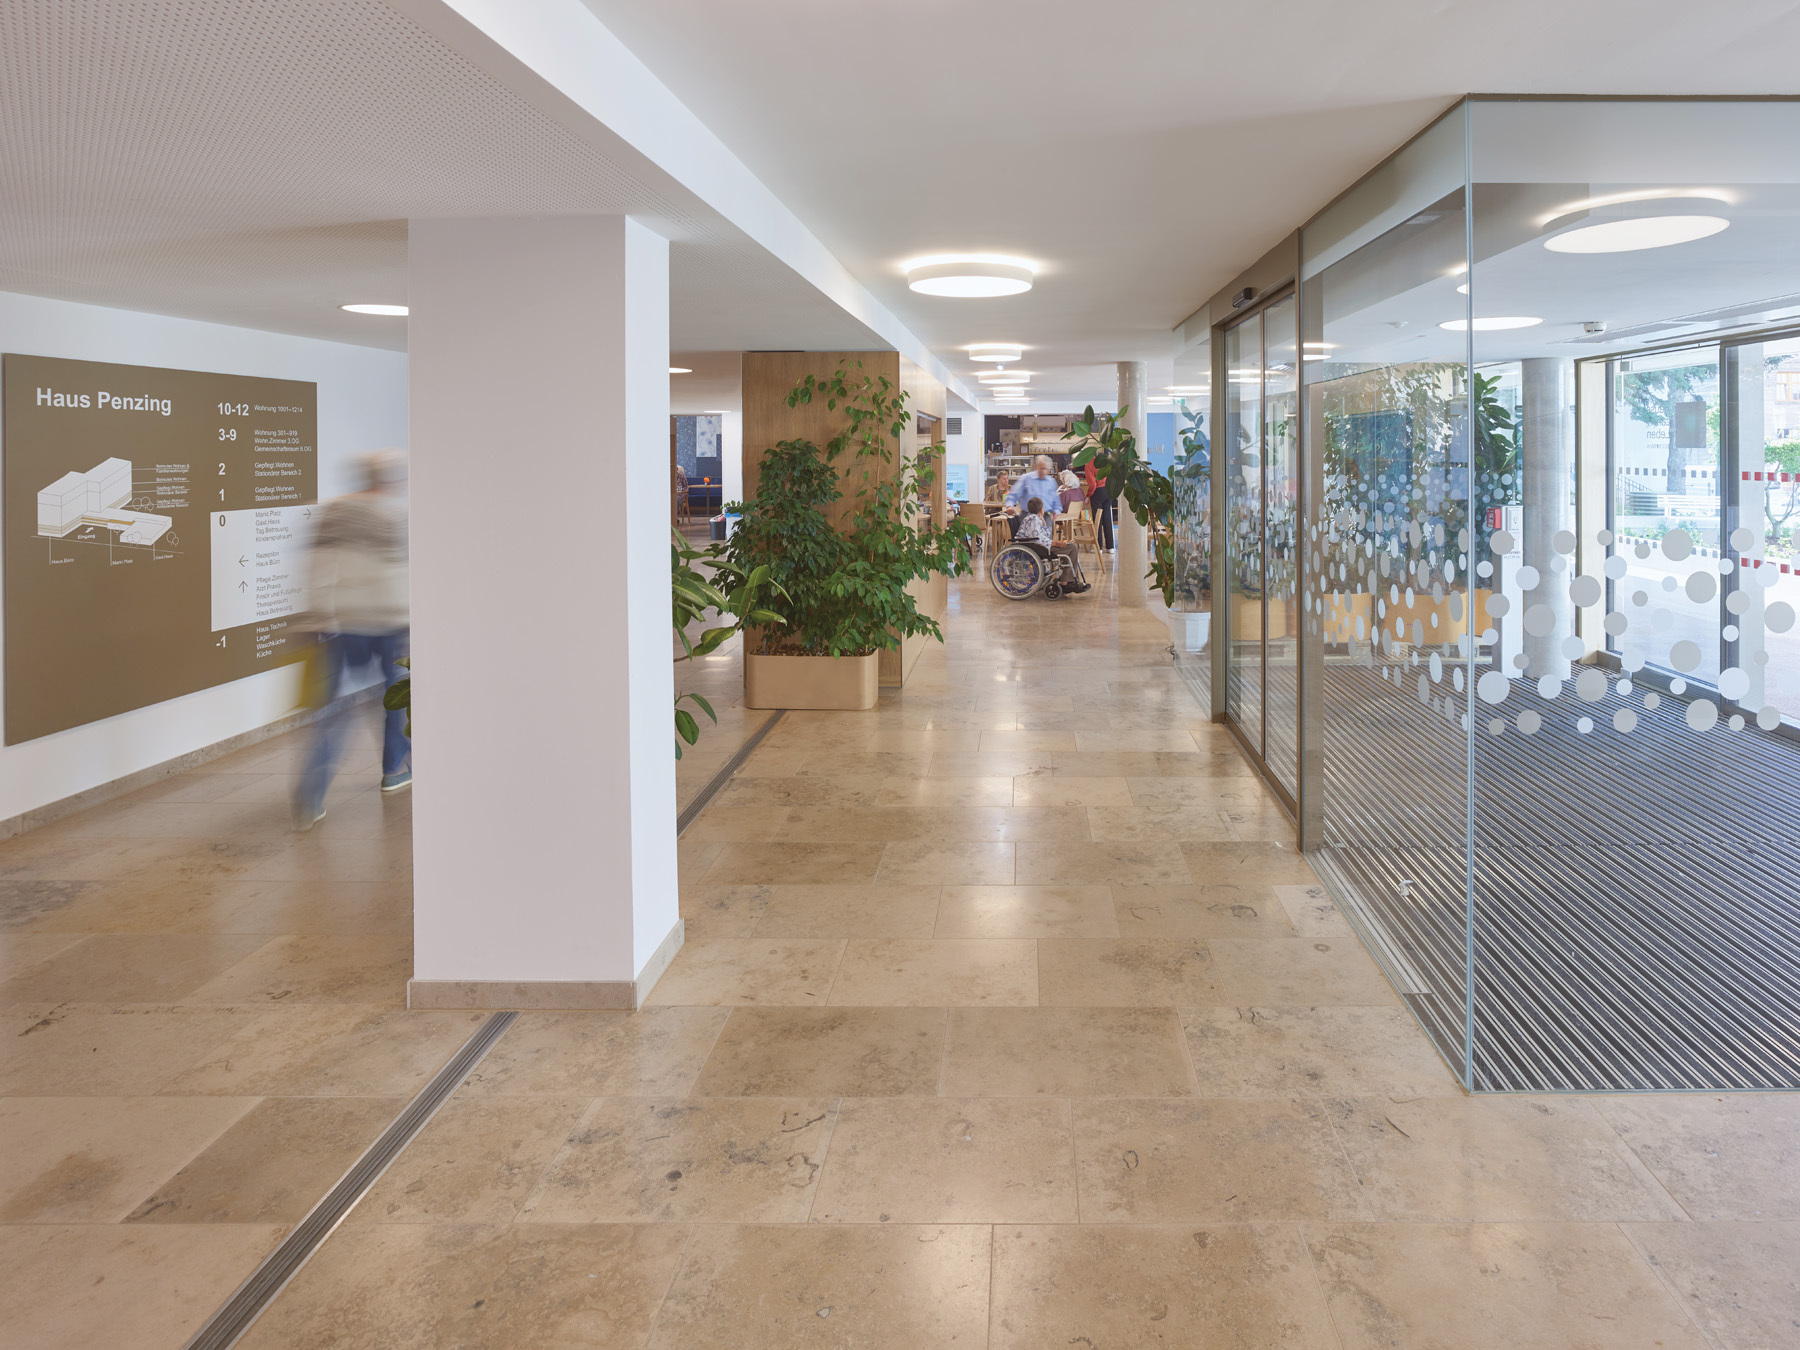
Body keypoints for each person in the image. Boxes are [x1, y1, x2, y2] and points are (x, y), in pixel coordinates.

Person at [293, 449, 411, 830]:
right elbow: (406, 571)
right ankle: (395, 770)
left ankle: (310, 796)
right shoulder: (397, 514)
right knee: (397, 698)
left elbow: (315, 565)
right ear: (390, 480)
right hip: (392, 622)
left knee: (332, 710)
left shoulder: (335, 511)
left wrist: (313, 615)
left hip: (345, 622)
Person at [1014, 497, 1089, 593]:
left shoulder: (1032, 518)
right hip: (1038, 548)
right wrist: (1056, 543)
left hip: (1038, 546)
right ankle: (1066, 582)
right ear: (1042, 510)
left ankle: (1068, 580)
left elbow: (1042, 536)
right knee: (1072, 548)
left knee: (1071, 546)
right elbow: (1037, 540)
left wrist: (1044, 522)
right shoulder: (1034, 520)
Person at [1003, 455, 1063, 540]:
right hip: (1027, 516)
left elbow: (1056, 501)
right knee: (1028, 542)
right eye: (1041, 468)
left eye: (1046, 469)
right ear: (1036, 466)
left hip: (1045, 516)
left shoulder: (1051, 481)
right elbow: (1013, 494)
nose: (1043, 471)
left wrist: (1056, 510)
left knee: (1045, 543)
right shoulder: (1026, 478)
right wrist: (1009, 506)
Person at [1085, 458, 1115, 553]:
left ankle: (1098, 547)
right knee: (1107, 519)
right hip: (1108, 490)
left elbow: (1092, 484)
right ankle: (1110, 547)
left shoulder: (1088, 465)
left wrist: (1088, 495)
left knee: (1097, 519)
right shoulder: (1104, 461)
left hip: (1097, 492)